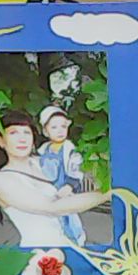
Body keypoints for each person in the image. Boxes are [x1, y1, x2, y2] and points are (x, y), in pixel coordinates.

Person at [0, 108, 109, 249]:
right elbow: (52, 207)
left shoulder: (47, 162)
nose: (22, 139)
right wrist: (107, 194)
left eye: (27, 132)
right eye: (13, 133)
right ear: (0, 140)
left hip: (77, 245)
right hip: (42, 252)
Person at [35, 105, 88, 246]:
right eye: (54, 127)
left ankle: (75, 241)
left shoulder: (70, 150)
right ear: (45, 131)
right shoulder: (43, 150)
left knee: (69, 217)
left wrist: (70, 185)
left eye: (63, 127)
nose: (60, 131)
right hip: (48, 192)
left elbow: (76, 170)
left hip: (64, 191)